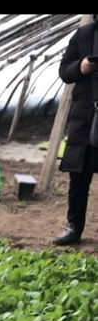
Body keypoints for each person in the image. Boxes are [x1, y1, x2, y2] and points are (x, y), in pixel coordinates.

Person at [53, 14, 98, 245]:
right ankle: (74, 227)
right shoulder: (85, 35)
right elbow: (64, 72)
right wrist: (81, 66)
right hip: (84, 118)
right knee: (78, 177)